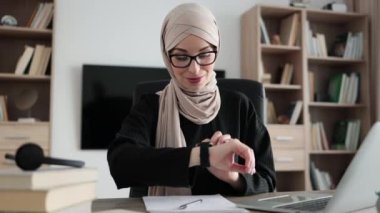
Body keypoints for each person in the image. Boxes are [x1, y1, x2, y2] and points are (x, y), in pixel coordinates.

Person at [107, 3, 276, 197]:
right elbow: (120, 163)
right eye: (181, 57)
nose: (194, 69)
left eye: (204, 54)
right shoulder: (150, 106)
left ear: (216, 49)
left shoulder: (240, 106)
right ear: (166, 55)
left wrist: (233, 176)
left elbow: (268, 184)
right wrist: (203, 156)